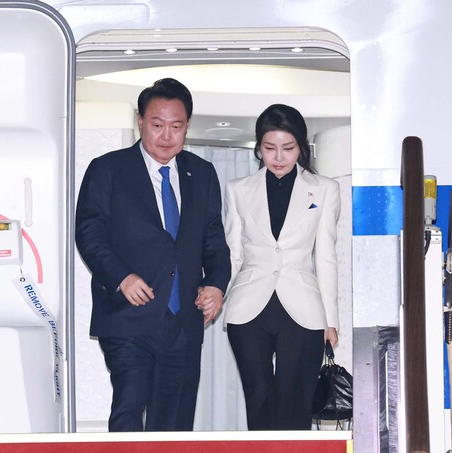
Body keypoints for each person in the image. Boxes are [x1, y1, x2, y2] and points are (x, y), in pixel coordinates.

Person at [75, 78, 231, 432]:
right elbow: (89, 232)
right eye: (157, 125)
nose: (166, 136)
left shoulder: (201, 173)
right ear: (140, 121)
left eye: (176, 126)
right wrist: (120, 277)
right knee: (129, 410)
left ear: (187, 126)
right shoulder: (108, 169)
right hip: (129, 317)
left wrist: (216, 284)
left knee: (174, 425)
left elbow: (213, 239)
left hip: (183, 321)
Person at [223, 103, 340, 430]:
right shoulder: (237, 189)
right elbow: (233, 253)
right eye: (269, 148)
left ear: (301, 147)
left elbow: (326, 256)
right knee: (258, 400)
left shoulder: (325, 189)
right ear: (258, 147)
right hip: (248, 308)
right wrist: (218, 297)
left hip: (303, 307)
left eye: (288, 148)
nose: (278, 157)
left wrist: (330, 320)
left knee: (296, 404)